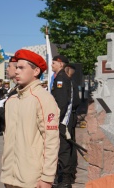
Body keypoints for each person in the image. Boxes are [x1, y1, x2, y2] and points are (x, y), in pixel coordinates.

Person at [0, 49, 60, 188]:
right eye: (16, 67)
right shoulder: (12, 100)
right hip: (10, 176)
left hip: (32, 178)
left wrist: (47, 177)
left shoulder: (43, 99)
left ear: (36, 71)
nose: (16, 71)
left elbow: (51, 140)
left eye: (21, 68)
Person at [51, 55, 72, 188]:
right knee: (60, 150)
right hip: (59, 119)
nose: (51, 65)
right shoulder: (59, 78)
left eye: (53, 63)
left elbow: (61, 103)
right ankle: (61, 179)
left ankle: (65, 181)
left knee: (63, 150)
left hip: (62, 121)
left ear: (60, 64)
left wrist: (56, 120)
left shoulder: (61, 79)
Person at [65, 63, 81, 184]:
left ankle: (69, 173)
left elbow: (75, 101)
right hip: (72, 115)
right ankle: (71, 171)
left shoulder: (71, 83)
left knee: (69, 144)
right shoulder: (72, 83)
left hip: (70, 116)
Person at [0, 56, 18, 132]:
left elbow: (12, 118)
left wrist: (0, 108)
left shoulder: (19, 90)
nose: (6, 69)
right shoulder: (15, 88)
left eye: (9, 66)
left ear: (17, 69)